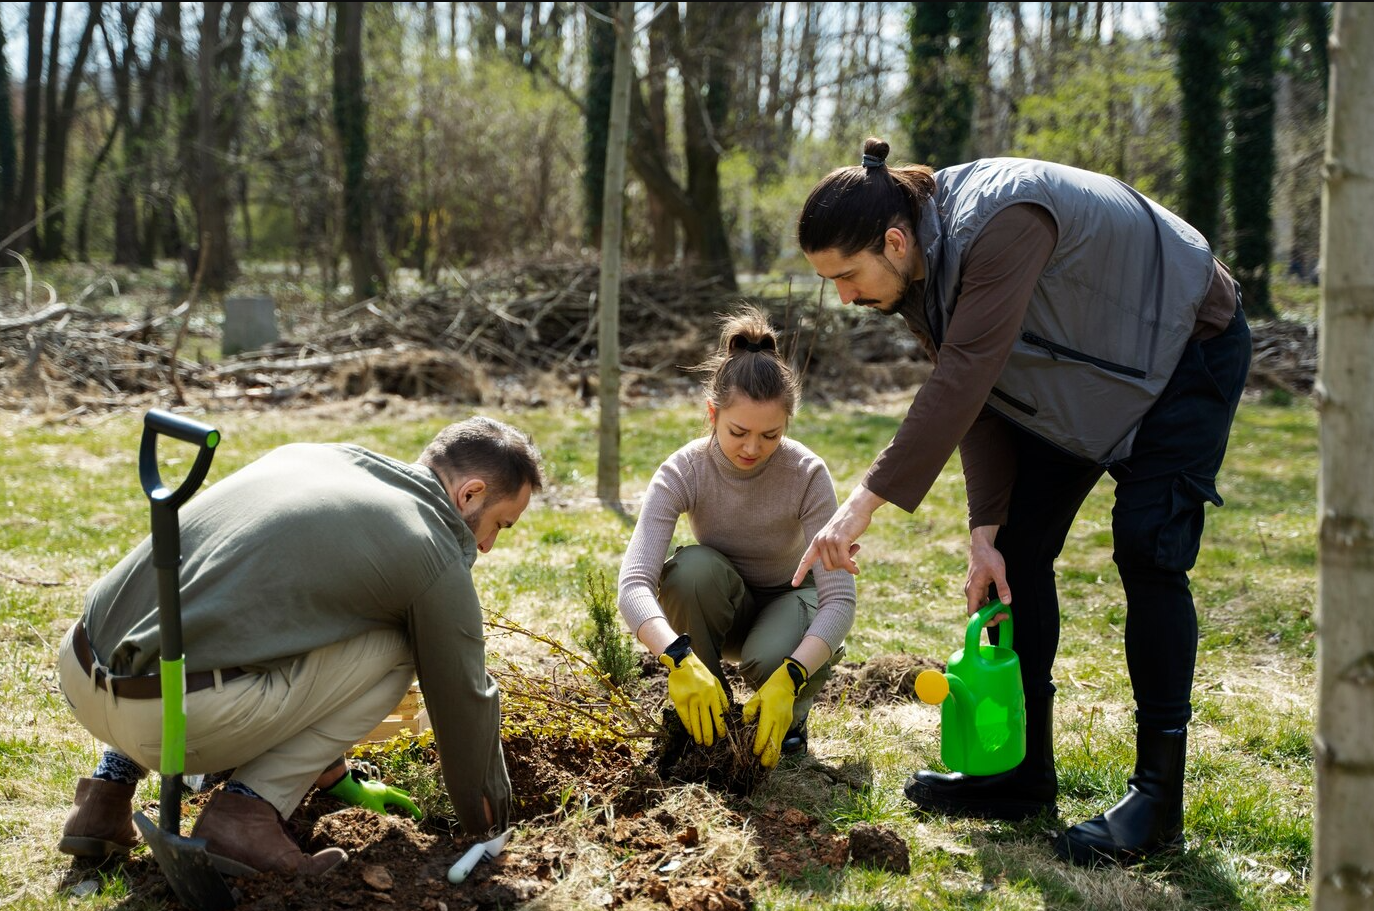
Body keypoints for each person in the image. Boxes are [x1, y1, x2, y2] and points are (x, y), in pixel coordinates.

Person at [791, 139, 1250, 867]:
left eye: (846, 276)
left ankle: (1158, 800)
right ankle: (1019, 773)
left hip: (1186, 344)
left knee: (1148, 550)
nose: (845, 297)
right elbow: (978, 397)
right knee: (1016, 556)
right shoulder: (916, 276)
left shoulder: (1003, 218)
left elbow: (966, 372)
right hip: (1082, 373)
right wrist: (984, 531)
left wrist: (862, 504)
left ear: (894, 239)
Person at [57, 416, 543, 876]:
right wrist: (493, 827)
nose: (487, 546)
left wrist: (332, 775)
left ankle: (104, 796)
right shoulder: (430, 548)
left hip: (80, 670)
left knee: (204, 615)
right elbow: (464, 700)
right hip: (168, 721)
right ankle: (246, 813)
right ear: (470, 494)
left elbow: (288, 627)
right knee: (403, 645)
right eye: (500, 524)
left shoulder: (317, 457)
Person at [618, 307, 857, 769]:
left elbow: (840, 600)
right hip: (724, 608)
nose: (752, 448)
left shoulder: (806, 474)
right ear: (712, 414)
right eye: (738, 432)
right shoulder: (683, 470)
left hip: (791, 607)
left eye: (770, 435)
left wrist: (792, 674)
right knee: (690, 571)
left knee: (769, 659)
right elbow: (633, 586)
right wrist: (677, 658)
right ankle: (708, 710)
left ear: (788, 422)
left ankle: (789, 716)